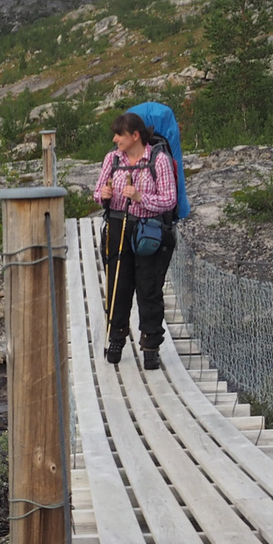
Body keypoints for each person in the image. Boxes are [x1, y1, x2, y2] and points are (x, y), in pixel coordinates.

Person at [93, 111, 179, 369]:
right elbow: (98, 192)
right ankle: (116, 338)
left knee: (149, 288)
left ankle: (151, 345)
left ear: (135, 136)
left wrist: (141, 198)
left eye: (120, 134)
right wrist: (104, 194)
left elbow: (169, 200)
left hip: (150, 230)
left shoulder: (159, 160)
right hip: (118, 226)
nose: (115, 138)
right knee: (118, 286)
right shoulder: (113, 159)